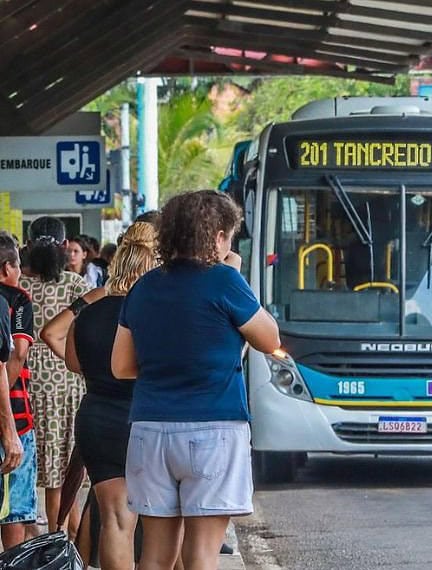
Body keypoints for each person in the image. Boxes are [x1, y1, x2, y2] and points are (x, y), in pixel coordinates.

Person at [112, 190, 279, 570]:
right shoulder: (225, 281)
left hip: (150, 430)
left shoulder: (144, 286)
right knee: (201, 556)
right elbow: (270, 340)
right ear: (218, 236)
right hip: (213, 430)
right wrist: (235, 275)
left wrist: (167, 365)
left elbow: (121, 366)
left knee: (154, 556)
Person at [42, 222, 157, 569]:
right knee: (159, 524)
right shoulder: (153, 312)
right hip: (145, 419)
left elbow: (75, 364)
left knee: (115, 520)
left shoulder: (88, 311)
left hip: (97, 419)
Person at [20, 216, 90, 535]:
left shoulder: (17, 286)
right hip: (70, 386)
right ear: (64, 247)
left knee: (33, 472)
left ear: (28, 247)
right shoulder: (78, 287)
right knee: (65, 474)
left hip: (24, 386)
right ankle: (63, 540)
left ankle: (42, 537)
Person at [0, 233, 36, 548]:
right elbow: (19, 351)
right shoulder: (18, 299)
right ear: (5, 268)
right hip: (16, 415)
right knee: (15, 510)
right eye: (17, 265)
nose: (20, 272)